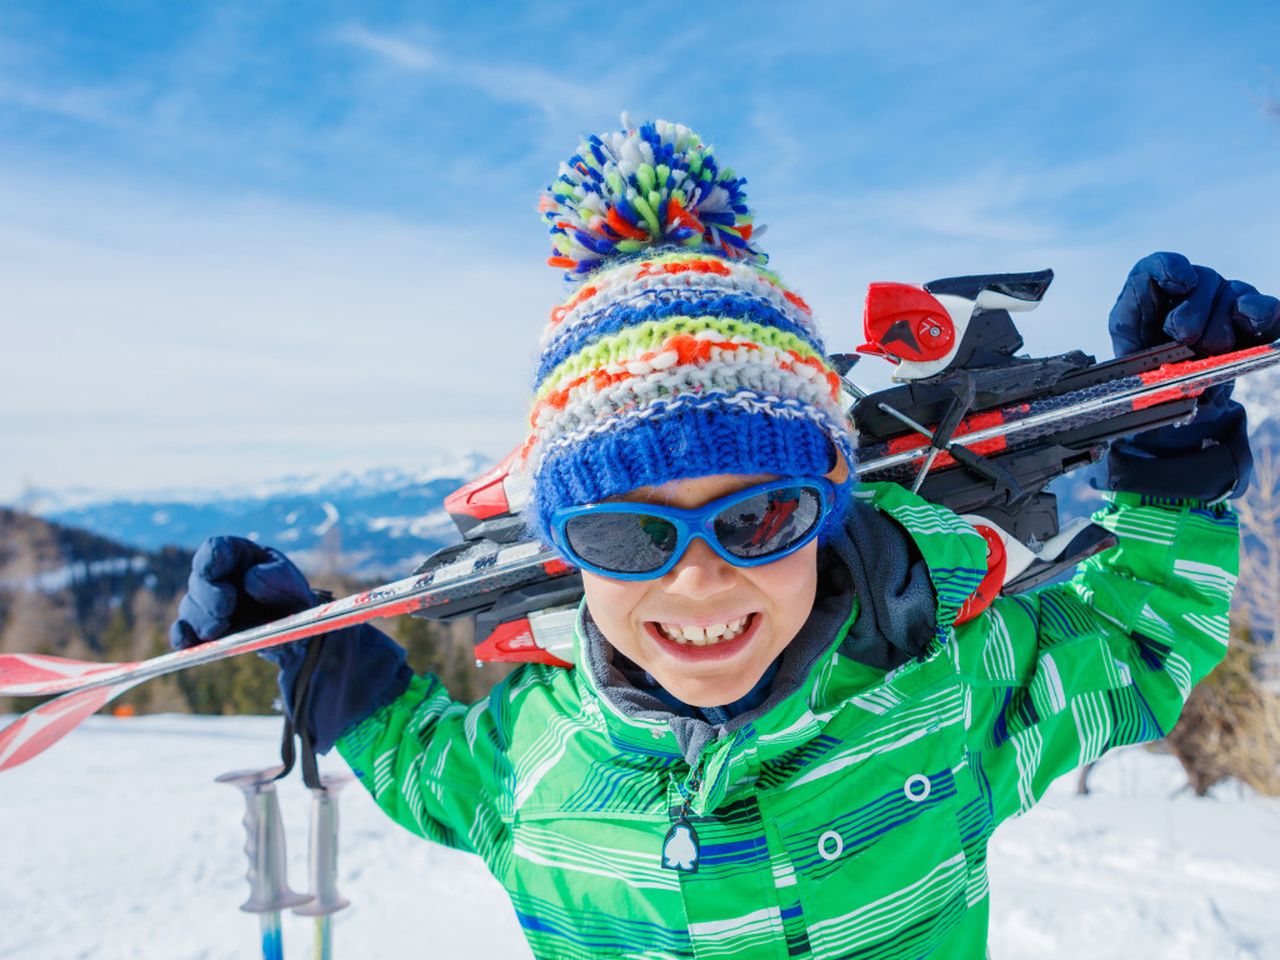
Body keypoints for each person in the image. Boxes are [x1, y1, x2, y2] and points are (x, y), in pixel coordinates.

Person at [172, 119, 1280, 959]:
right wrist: (336, 669)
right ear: (564, 548)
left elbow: (1135, 648)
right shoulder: (529, 757)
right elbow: (422, 767)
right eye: (625, 531)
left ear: (825, 510)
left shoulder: (946, 693)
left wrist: (1171, 472)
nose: (699, 577)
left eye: (756, 516)